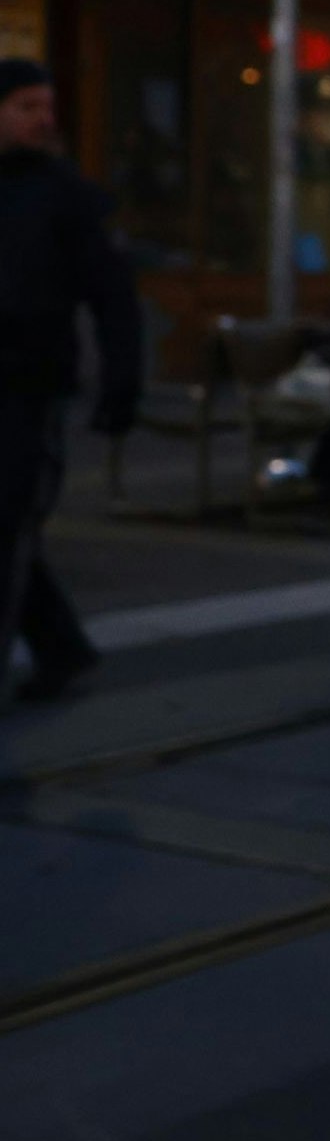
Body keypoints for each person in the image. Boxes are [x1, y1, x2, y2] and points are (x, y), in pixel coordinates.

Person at [0, 59, 140, 704]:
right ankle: (62, 647)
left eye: (46, 105)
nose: (44, 118)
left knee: (8, 522)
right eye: (27, 105)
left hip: (29, 388)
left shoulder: (66, 195)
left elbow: (113, 296)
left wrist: (121, 381)